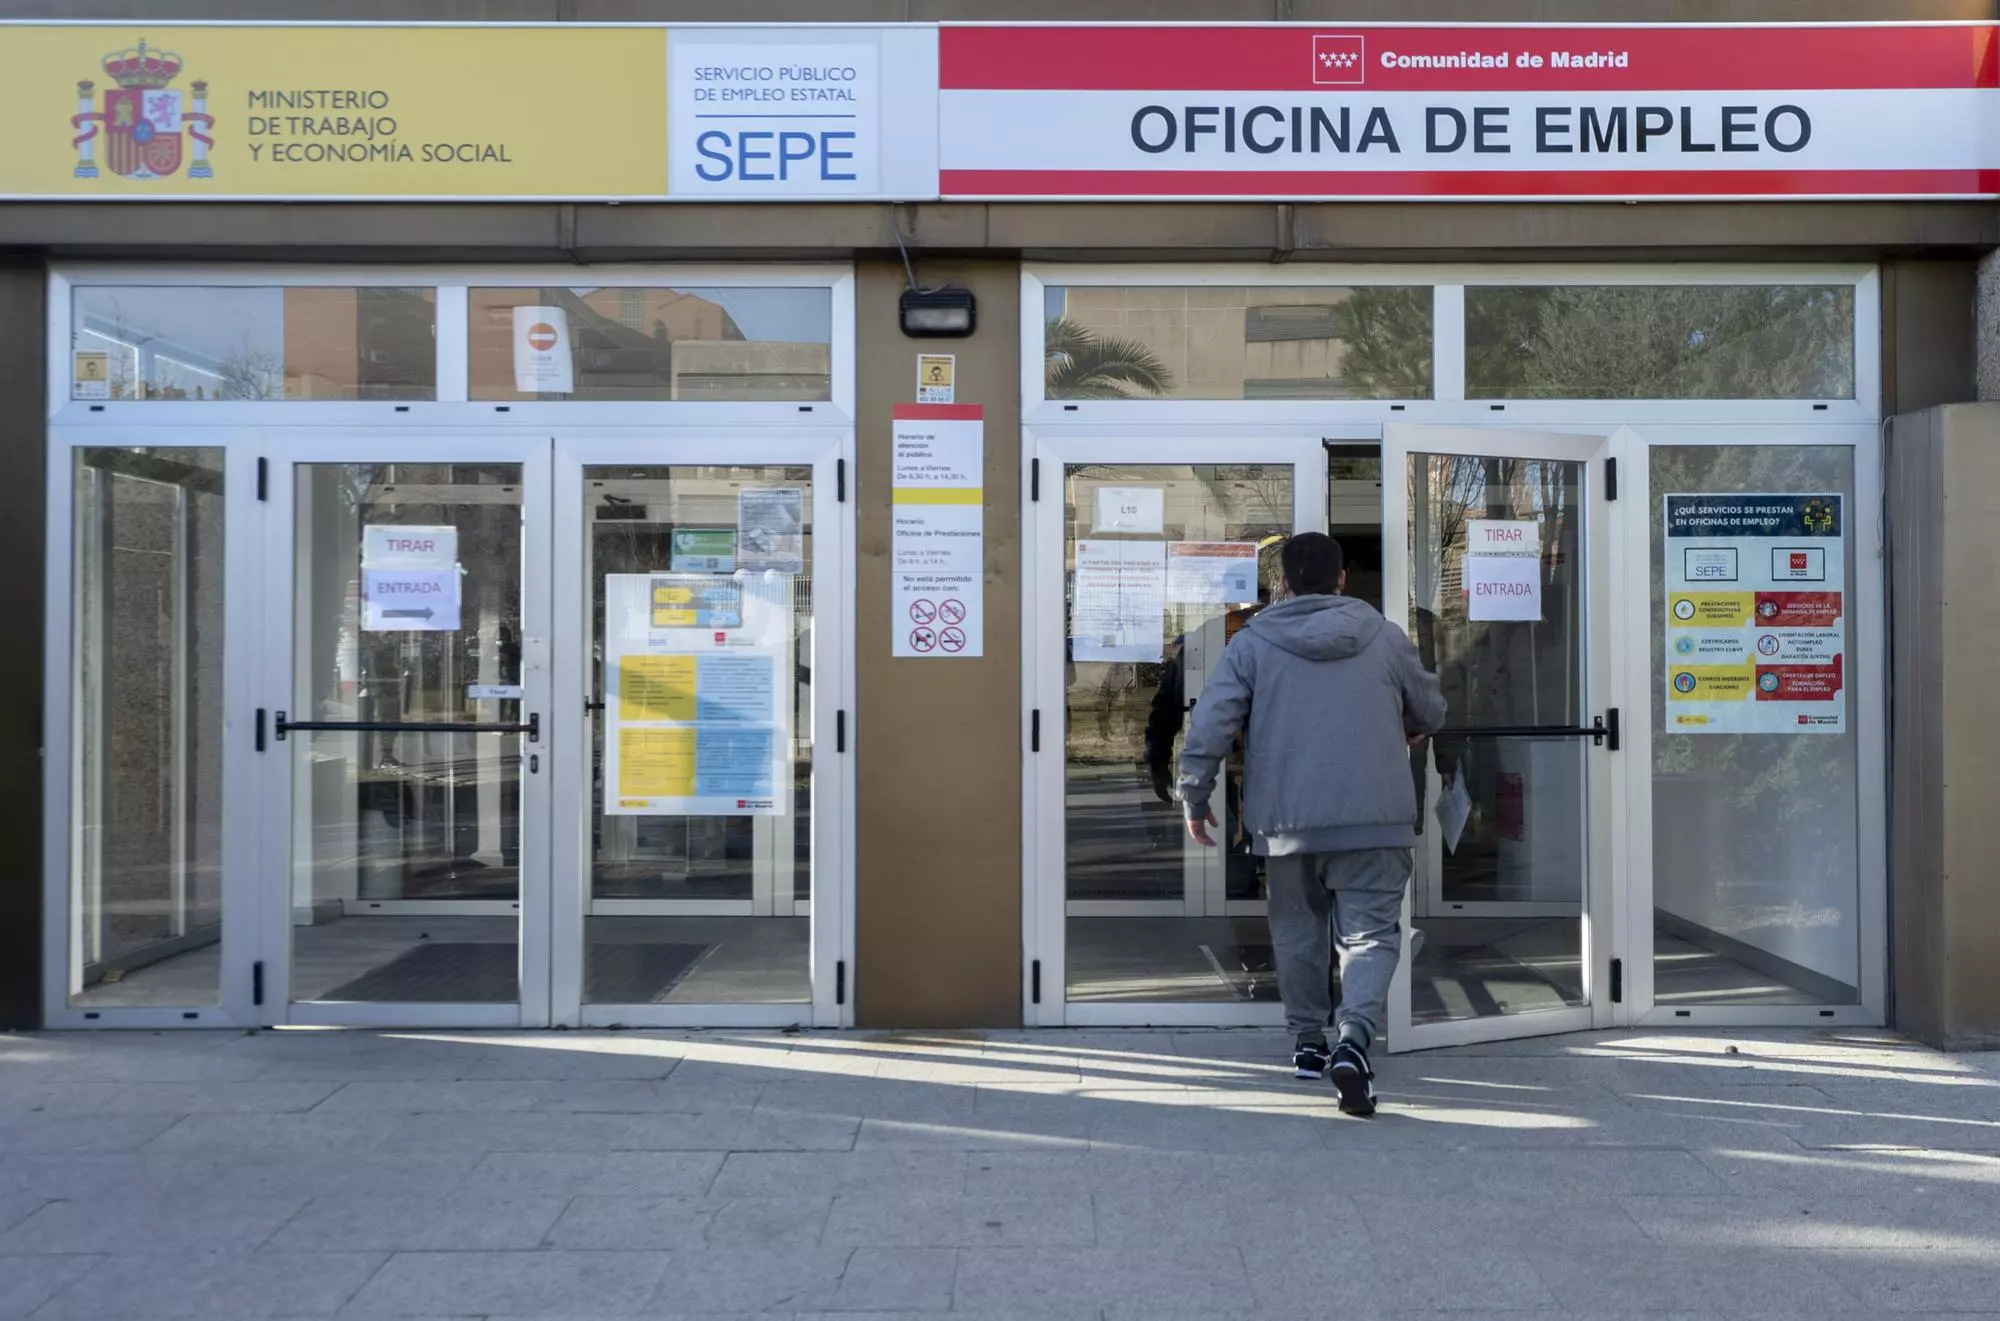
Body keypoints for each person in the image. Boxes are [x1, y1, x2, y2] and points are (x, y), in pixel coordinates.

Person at [1177, 532, 1446, 1116]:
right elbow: (1431, 708)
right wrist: (1410, 724)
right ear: (1342, 579)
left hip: (1287, 822)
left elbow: (1212, 724)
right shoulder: (1385, 636)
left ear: (1283, 584)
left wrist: (1194, 795)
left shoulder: (1252, 643)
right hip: (1375, 819)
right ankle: (1354, 1040)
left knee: (1298, 933)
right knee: (1370, 937)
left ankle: (1308, 1043)